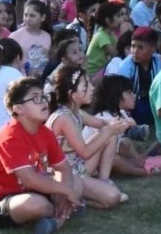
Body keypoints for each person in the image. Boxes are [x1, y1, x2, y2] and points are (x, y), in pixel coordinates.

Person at [0, 77, 84, 234]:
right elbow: (29, 179)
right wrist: (66, 190)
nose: (44, 101)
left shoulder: (46, 133)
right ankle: (60, 215)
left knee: (77, 180)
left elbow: (63, 168)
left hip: (32, 190)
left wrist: (62, 195)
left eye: (43, 96)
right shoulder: (9, 136)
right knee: (38, 205)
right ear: (18, 108)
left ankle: (57, 217)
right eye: (35, 98)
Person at [46, 65, 130, 207]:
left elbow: (102, 123)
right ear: (72, 95)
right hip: (65, 175)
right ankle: (80, 200)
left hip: (78, 167)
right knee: (113, 197)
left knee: (109, 134)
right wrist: (108, 130)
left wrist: (123, 123)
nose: (92, 88)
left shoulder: (76, 112)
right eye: (86, 86)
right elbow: (84, 153)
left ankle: (103, 181)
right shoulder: (63, 118)